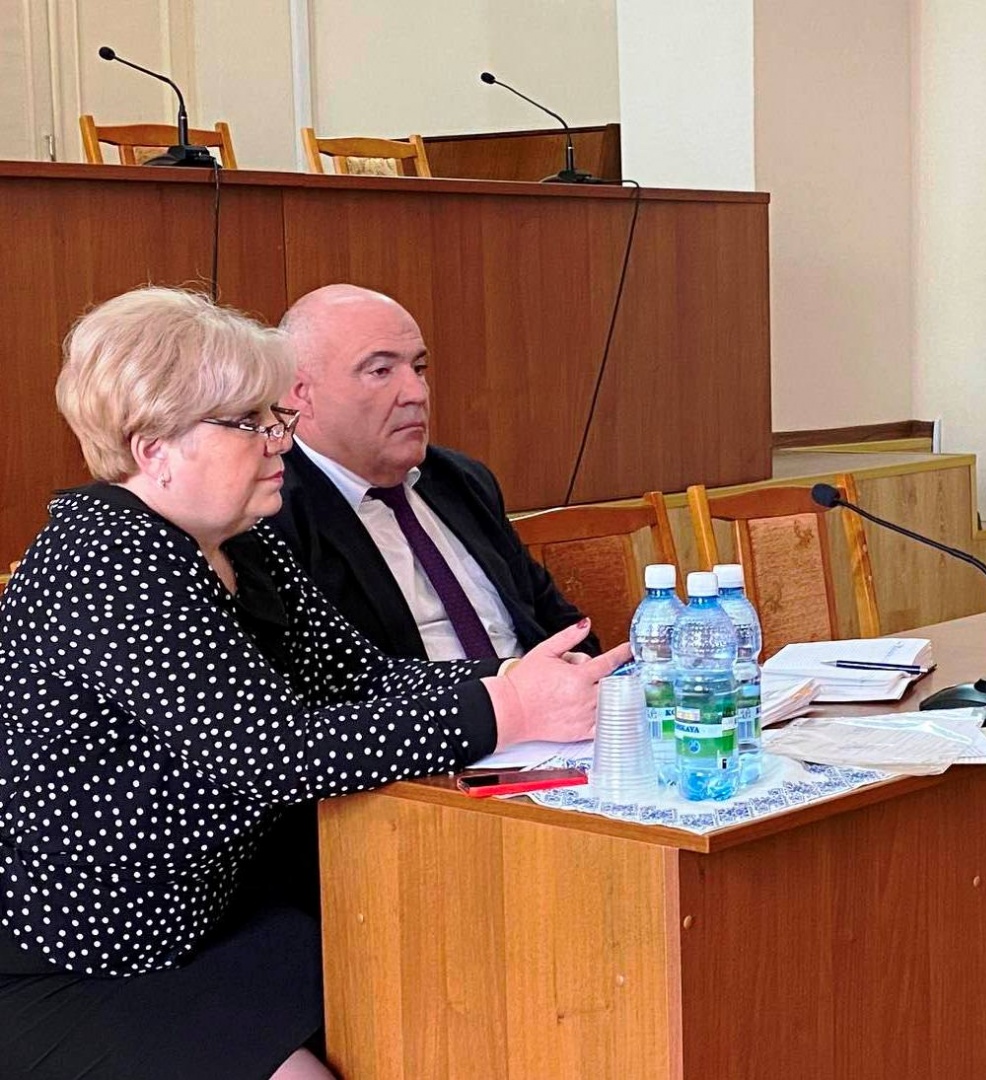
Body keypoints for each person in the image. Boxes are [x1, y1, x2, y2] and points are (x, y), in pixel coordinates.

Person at [0, 287, 628, 1080]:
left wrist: (515, 676)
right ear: (155, 447)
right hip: (81, 959)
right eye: (249, 423)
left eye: (276, 417)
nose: (281, 443)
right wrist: (501, 710)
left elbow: (359, 675)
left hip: (212, 919)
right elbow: (275, 755)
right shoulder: (106, 559)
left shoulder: (240, 537)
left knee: (465, 986)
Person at [270, 284, 600, 661]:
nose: (416, 393)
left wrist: (578, 666)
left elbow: (563, 625)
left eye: (419, 368)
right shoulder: (275, 511)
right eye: (380, 371)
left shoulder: (460, 480)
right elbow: (331, 684)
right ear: (301, 393)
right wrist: (506, 688)